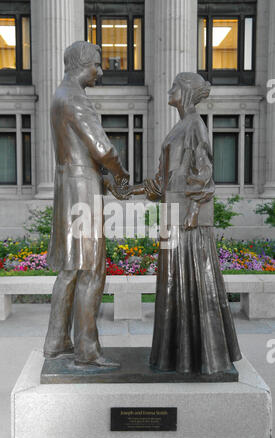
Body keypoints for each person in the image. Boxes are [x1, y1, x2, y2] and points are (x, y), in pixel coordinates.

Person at [125, 73, 242, 376]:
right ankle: (176, 357)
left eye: (175, 86)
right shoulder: (180, 127)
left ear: (187, 92)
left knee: (192, 283)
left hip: (186, 221)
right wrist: (128, 189)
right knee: (172, 284)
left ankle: (202, 359)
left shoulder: (195, 127)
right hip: (171, 215)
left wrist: (192, 213)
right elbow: (161, 183)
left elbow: (204, 173)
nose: (169, 90)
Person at [43, 41, 129, 367]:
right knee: (91, 270)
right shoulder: (76, 99)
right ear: (83, 64)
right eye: (97, 65)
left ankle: (56, 341)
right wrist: (120, 174)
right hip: (83, 193)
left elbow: (78, 151)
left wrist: (104, 176)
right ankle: (87, 351)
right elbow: (104, 149)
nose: (101, 72)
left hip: (68, 187)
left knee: (70, 269)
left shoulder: (58, 96)